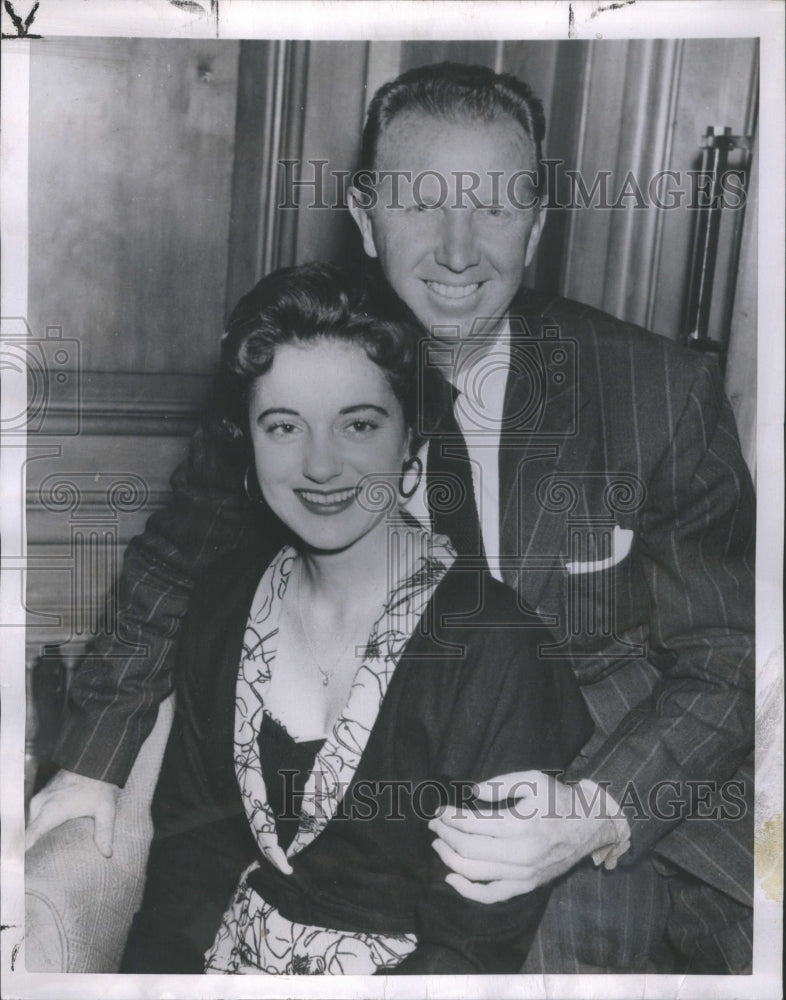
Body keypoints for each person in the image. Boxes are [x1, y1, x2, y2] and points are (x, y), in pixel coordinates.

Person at [28, 62, 755, 973]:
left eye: (496, 206)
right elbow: (175, 569)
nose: (459, 249)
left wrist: (595, 808)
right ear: (366, 218)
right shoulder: (297, 370)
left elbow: (728, 658)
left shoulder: (657, 393)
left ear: (538, 224)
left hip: (599, 804)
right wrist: (92, 762)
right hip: (369, 831)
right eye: (420, 203)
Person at [118, 263, 592, 975]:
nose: (321, 465)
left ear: (411, 439)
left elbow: (469, 949)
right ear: (245, 441)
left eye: (359, 424)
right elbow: (189, 865)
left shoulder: (494, 646)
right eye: (283, 426)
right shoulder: (223, 602)